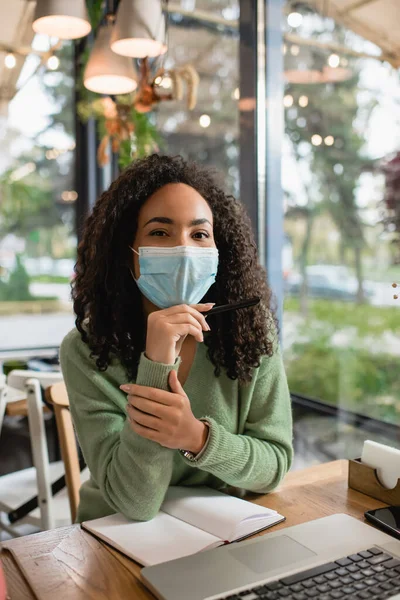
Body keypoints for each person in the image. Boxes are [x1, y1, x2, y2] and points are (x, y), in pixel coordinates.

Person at [60, 154, 293, 523]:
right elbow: (134, 503)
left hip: (221, 531)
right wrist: (155, 363)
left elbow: (275, 466)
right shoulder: (88, 349)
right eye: (159, 232)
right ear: (128, 251)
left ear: (220, 251)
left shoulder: (251, 330)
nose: (183, 249)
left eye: (199, 234)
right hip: (114, 537)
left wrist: (196, 437)